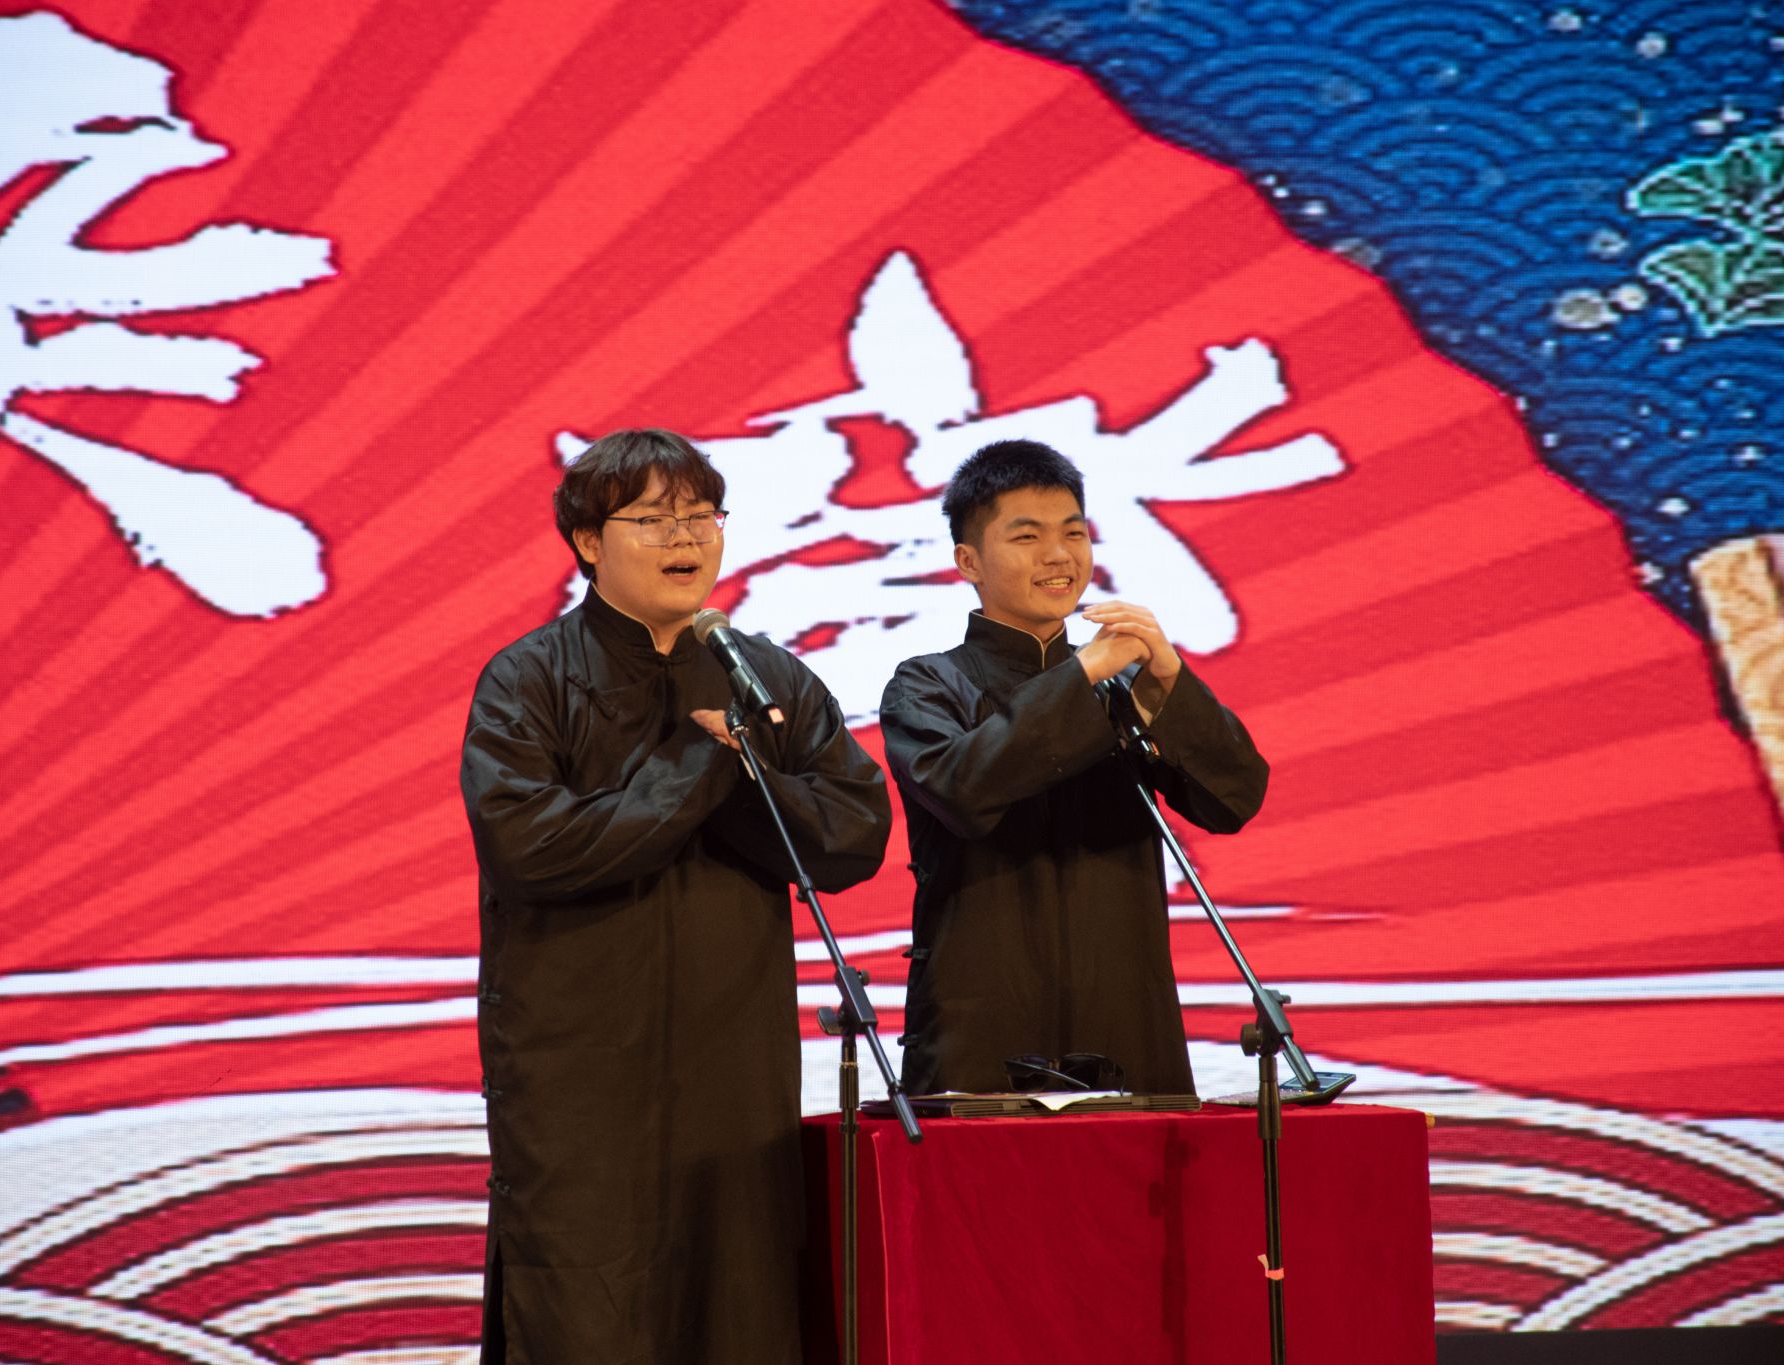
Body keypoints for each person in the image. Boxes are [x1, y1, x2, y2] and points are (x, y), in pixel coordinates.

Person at [460, 429, 891, 1363]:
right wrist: (701, 767)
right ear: (588, 541)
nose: (685, 536)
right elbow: (530, 846)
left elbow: (856, 831)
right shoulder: (528, 678)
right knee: (587, 1310)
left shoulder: (762, 675)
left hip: (734, 1066)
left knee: (738, 1305)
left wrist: (745, 780)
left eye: (700, 515)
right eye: (654, 519)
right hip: (579, 1071)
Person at [880, 438, 1268, 1098]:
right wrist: (1081, 671)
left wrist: (1168, 682)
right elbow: (962, 789)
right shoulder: (926, 685)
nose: (1059, 555)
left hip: (1125, 1013)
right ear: (968, 561)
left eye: (1073, 533)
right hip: (983, 1016)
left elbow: (1234, 798)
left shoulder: (1124, 686)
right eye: (1027, 536)